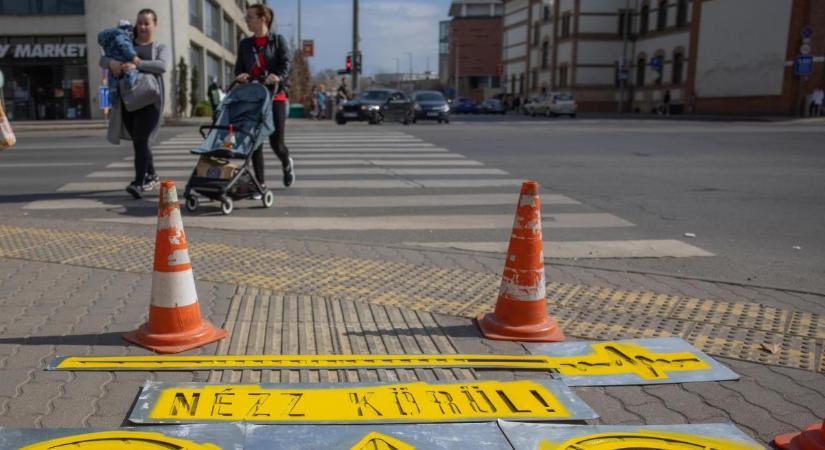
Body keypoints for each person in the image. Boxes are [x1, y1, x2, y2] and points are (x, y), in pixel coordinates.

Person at [100, 8, 169, 199]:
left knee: (140, 140)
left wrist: (137, 64)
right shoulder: (126, 44)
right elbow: (102, 59)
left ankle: (139, 182)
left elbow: (162, 66)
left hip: (150, 101)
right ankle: (152, 175)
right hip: (128, 101)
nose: (143, 27)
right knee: (140, 141)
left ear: (155, 25)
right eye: (140, 23)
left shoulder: (159, 47)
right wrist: (112, 63)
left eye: (147, 23)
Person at [235, 4, 294, 189]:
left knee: (277, 144)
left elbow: (286, 64)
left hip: (275, 97)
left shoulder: (277, 41)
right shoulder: (245, 44)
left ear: (263, 19)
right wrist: (241, 75)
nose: (246, 21)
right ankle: (260, 185)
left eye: (250, 17)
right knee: (255, 143)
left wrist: (278, 76)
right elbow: (239, 68)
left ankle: (286, 162)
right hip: (255, 98)